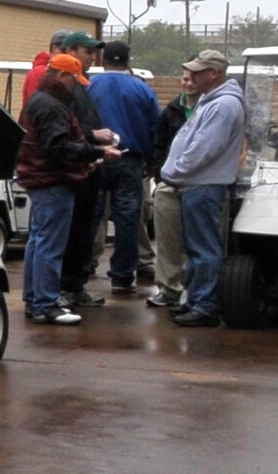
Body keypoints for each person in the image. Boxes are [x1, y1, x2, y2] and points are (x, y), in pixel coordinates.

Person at [16, 54, 119, 326]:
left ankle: (35, 300)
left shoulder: (39, 100)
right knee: (50, 245)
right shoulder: (52, 106)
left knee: (38, 242)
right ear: (62, 76)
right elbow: (59, 147)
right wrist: (97, 152)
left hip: (40, 180)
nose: (77, 86)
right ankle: (46, 304)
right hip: (53, 181)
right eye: (75, 79)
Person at [159, 50, 247, 327]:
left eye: (199, 71)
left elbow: (204, 149)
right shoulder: (214, 101)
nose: (193, 76)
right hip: (198, 185)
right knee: (198, 247)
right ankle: (197, 301)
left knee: (204, 248)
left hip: (203, 185)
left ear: (215, 74)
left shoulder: (223, 105)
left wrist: (175, 170)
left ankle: (205, 306)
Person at [85, 40, 160, 292]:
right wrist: (151, 161)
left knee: (91, 216)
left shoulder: (90, 86)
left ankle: (82, 268)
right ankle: (122, 275)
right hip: (130, 159)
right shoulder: (142, 89)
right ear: (128, 61)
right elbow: (154, 127)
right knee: (128, 219)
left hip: (95, 158)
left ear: (103, 60)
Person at [147, 70, 199, 310]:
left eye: (193, 79)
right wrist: (161, 177)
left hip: (200, 183)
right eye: (185, 78)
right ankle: (168, 289)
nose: (188, 83)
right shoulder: (170, 111)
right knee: (167, 241)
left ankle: (198, 292)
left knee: (198, 242)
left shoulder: (211, 109)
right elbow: (159, 145)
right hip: (170, 183)